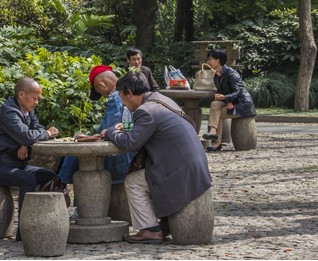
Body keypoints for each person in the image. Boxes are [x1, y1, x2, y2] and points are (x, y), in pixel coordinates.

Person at [100, 71, 212, 244]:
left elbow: (130, 143)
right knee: (144, 176)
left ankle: (150, 230)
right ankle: (162, 220)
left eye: (123, 99)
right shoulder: (162, 99)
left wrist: (110, 131)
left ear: (130, 93)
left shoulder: (145, 111)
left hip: (180, 171)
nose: (124, 104)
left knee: (132, 181)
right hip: (194, 165)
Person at [0, 77, 60, 241]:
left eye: (38, 98)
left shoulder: (28, 111)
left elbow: (33, 132)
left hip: (15, 164)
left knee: (49, 176)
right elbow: (26, 134)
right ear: (22, 94)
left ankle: (47, 222)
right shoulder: (9, 112)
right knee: (28, 180)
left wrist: (25, 144)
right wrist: (44, 134)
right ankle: (25, 231)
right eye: (34, 98)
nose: (37, 102)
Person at [58, 65, 133, 189]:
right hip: (131, 151)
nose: (103, 95)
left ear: (101, 84)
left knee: (76, 145)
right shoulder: (131, 90)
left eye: (99, 92)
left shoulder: (115, 97)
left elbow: (110, 128)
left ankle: (60, 184)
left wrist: (93, 135)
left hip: (120, 160)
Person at [202, 49, 256, 152]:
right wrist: (226, 100)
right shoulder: (216, 76)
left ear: (218, 60)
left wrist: (226, 98)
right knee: (215, 104)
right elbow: (223, 92)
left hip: (242, 104)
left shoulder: (231, 74)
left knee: (218, 113)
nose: (208, 62)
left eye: (210, 59)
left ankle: (216, 143)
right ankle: (213, 132)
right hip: (232, 102)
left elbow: (238, 92)